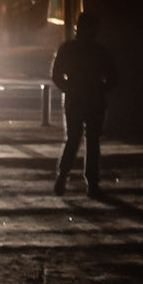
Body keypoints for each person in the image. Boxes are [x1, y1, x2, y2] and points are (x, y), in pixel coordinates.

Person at [51, 12, 118, 195]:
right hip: (94, 99)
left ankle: (62, 177)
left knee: (73, 139)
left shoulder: (67, 49)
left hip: (74, 98)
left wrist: (69, 88)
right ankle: (92, 183)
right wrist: (100, 89)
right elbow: (113, 77)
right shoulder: (99, 51)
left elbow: (56, 76)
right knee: (92, 141)